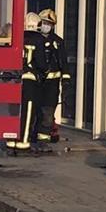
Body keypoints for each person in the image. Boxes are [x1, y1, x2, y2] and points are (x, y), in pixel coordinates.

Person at [7, 12, 43, 152]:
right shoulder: (39, 40)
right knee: (28, 112)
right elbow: (41, 63)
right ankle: (23, 140)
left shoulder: (17, 37)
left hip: (14, 78)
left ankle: (11, 139)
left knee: (13, 109)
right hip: (30, 79)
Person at [35, 9, 69, 153]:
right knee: (34, 111)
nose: (46, 25)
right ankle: (31, 137)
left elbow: (63, 62)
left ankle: (43, 141)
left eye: (49, 23)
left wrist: (66, 80)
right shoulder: (33, 40)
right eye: (44, 22)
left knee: (48, 112)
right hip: (35, 83)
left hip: (51, 84)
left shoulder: (58, 42)